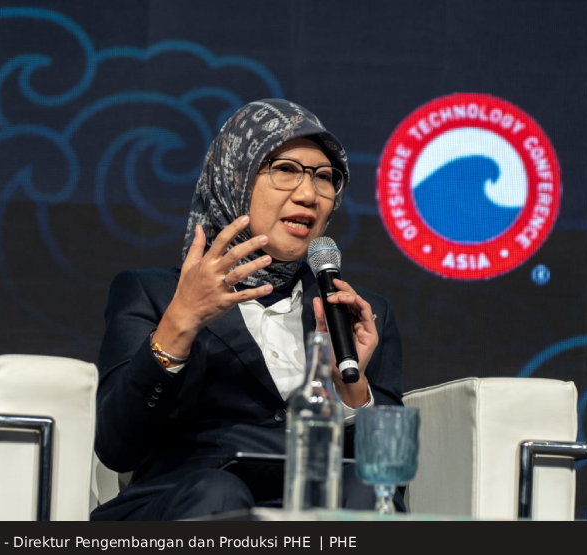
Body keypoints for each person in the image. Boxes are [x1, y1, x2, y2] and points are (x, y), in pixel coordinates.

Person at [91, 99, 403, 520]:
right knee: (217, 492)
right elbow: (117, 447)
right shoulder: (155, 294)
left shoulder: (356, 314)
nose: (308, 194)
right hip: (189, 502)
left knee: (366, 490)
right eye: (285, 169)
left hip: (316, 506)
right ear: (235, 178)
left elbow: (389, 478)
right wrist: (180, 323)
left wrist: (349, 389)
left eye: (325, 177)